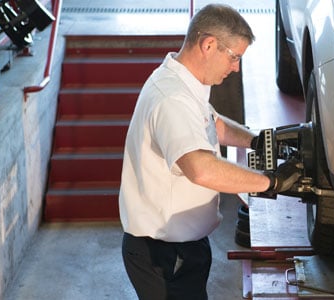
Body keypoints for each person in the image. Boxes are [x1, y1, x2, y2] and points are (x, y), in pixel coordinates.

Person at [119, 4, 301, 300]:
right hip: (163, 254)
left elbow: (213, 123)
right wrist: (271, 182)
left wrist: (256, 141)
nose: (236, 67)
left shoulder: (185, 82)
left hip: (184, 245)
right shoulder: (172, 99)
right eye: (234, 57)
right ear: (208, 45)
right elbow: (201, 168)